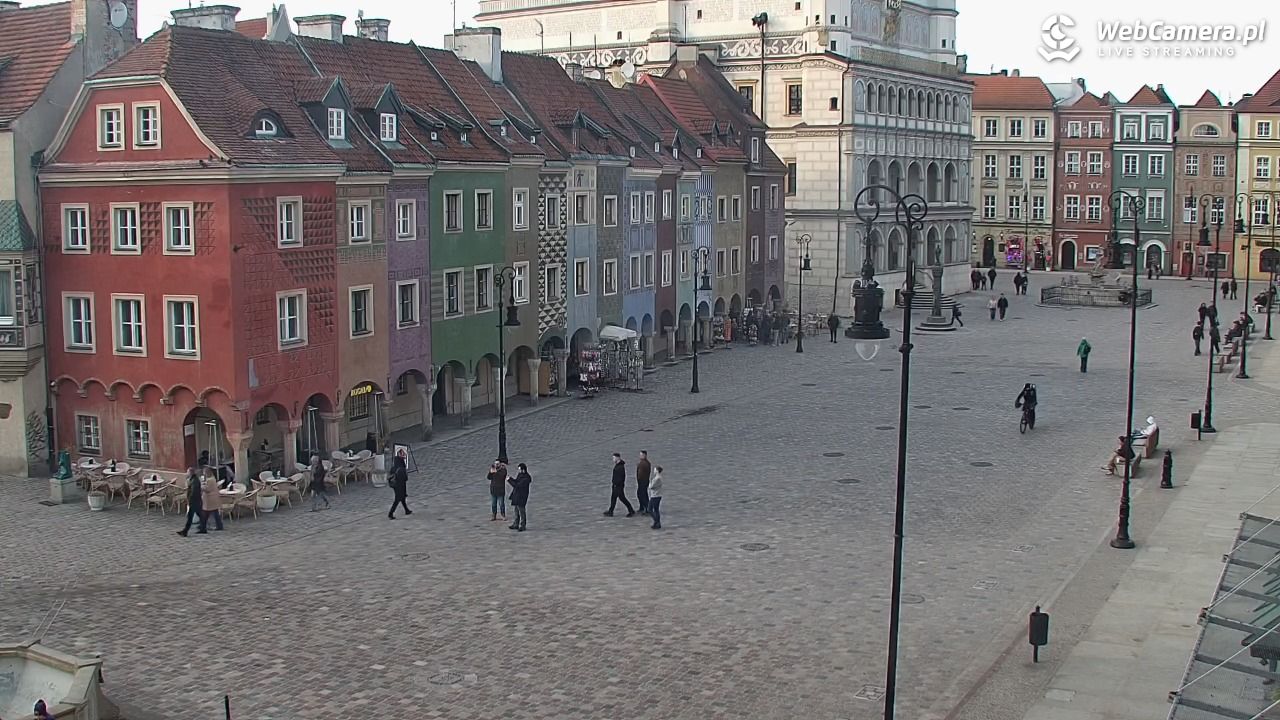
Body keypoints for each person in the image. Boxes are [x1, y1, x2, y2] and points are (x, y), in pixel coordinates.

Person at [604, 452, 635, 517]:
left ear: (617, 458)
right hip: (615, 486)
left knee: (622, 499)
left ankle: (631, 510)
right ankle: (611, 511)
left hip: (618, 486)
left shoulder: (620, 467)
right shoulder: (618, 465)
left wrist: (616, 483)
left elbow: (621, 478)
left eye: (614, 458)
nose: (613, 459)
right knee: (613, 498)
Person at [176, 467, 205, 537]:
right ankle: (203, 528)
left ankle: (185, 531)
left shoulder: (194, 480)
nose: (187, 473)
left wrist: (190, 500)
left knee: (190, 517)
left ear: (191, 473)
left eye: (188, 472)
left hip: (194, 501)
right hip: (197, 501)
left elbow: (194, 492)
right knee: (200, 515)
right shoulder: (192, 479)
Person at [508, 463, 531, 531]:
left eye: (520, 469)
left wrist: (509, 480)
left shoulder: (526, 478)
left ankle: (523, 525)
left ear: (523, 470)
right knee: (516, 511)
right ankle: (516, 524)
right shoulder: (520, 475)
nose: (519, 471)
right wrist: (511, 478)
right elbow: (516, 481)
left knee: (522, 512)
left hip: (521, 496)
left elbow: (517, 485)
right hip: (517, 496)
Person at [388, 455, 411, 519]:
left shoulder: (393, 468)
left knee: (402, 498)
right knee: (397, 500)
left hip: (395, 486)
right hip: (401, 486)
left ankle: (406, 510)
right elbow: (405, 478)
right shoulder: (402, 469)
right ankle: (390, 513)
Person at [635, 450, 652, 515]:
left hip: (643, 481)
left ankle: (647, 508)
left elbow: (642, 473)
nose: (640, 456)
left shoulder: (645, 463)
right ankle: (642, 507)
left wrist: (639, 466)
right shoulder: (642, 463)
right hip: (641, 481)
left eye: (641, 455)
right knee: (640, 494)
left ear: (645, 455)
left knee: (642, 495)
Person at [649, 465, 664, 530]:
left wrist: (650, 483)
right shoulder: (658, 477)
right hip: (657, 495)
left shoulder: (657, 478)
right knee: (656, 510)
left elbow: (651, 486)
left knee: (650, 509)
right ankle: (657, 523)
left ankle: (657, 522)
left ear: (657, 471)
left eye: (655, 469)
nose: (654, 470)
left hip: (655, 496)